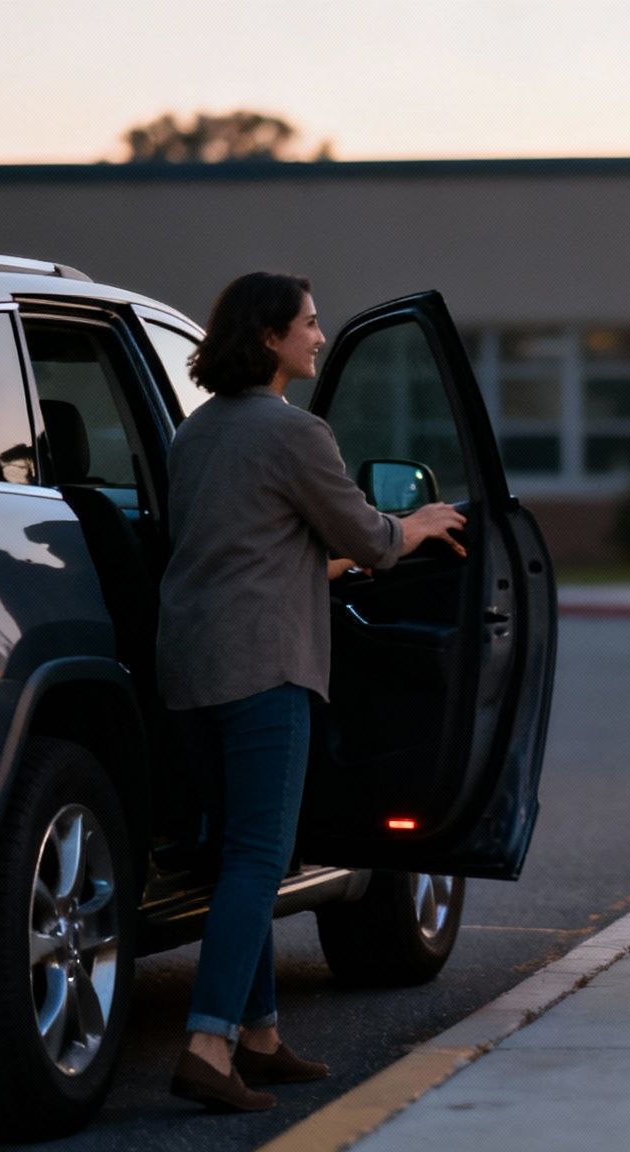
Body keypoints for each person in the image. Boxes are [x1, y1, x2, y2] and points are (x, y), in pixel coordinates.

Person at [156, 272, 467, 1111]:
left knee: (234, 853)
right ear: (269, 336)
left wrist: (336, 559)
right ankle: (209, 1044)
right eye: (309, 324)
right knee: (260, 859)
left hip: (190, 671)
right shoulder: (297, 433)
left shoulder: (196, 436)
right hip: (265, 668)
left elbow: (246, 549)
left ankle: (256, 1034)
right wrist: (422, 526)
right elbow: (370, 532)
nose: (320, 338)